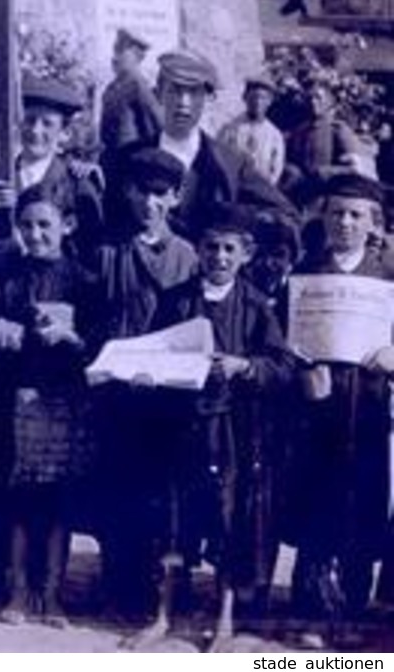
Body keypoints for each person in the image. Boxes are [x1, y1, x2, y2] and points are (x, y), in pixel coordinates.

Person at [126, 204, 293, 651]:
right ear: (198, 250)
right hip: (180, 427)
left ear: (245, 253)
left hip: (232, 431)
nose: (219, 256)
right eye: (211, 247)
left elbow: (281, 366)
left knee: (228, 520)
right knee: (173, 517)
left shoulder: (257, 306)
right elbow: (153, 349)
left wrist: (245, 366)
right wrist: (146, 373)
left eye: (229, 249)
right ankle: (163, 615)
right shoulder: (175, 299)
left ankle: (224, 619)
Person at [88, 145, 200, 618]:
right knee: (116, 486)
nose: (149, 204)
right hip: (118, 394)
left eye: (160, 195)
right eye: (141, 193)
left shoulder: (190, 256)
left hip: (169, 399)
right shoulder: (109, 252)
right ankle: (116, 578)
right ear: (128, 194)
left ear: (174, 198)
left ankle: (166, 586)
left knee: (166, 491)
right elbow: (96, 317)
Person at [0, 185, 98, 626]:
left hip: (65, 400)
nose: (35, 234)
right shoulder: (8, 277)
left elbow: (99, 343)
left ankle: (50, 594)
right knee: (18, 496)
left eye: (45, 224)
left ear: (67, 226)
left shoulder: (85, 281)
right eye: (27, 225)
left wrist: (72, 338)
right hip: (18, 399)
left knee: (58, 502)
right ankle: (15, 592)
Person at [287, 174, 393, 648]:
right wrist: (301, 373)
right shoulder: (306, 274)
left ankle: (351, 608)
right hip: (318, 412)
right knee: (316, 502)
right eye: (337, 213)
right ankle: (309, 609)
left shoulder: (387, 279)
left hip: (368, 410)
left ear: (373, 224)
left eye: (356, 215)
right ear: (323, 218)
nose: (345, 223)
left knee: (362, 501)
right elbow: (283, 342)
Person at [103, 51, 290, 240]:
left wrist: (234, 221)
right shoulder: (126, 159)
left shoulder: (230, 164)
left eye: (194, 92)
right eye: (175, 90)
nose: (183, 103)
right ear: (158, 93)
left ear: (210, 99)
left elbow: (284, 214)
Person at [0, 79, 105, 267]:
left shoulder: (77, 185)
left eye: (47, 124)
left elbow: (91, 251)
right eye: (30, 120)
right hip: (0, 285)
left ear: (64, 133)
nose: (35, 130)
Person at [99, 28, 162, 155]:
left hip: (130, 159)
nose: (115, 57)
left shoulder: (138, 85)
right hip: (110, 159)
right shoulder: (111, 87)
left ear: (137, 57)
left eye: (121, 51)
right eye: (115, 50)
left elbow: (156, 124)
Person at [218, 77, 286, 186]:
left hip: (261, 190)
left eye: (263, 98)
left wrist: (265, 186)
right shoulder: (230, 128)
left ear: (269, 102)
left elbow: (276, 169)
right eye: (253, 97)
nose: (258, 102)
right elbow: (219, 158)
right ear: (245, 98)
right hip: (232, 186)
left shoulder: (274, 135)